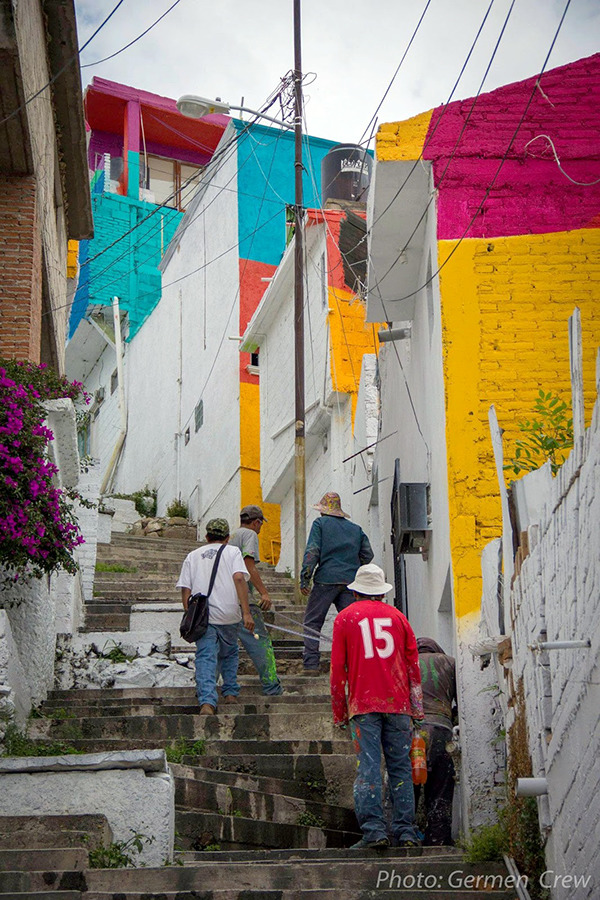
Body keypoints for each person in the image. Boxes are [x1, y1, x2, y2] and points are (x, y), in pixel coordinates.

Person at [330, 563, 424, 849]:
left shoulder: (345, 619)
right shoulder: (399, 618)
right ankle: (405, 832)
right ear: (382, 594)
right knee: (400, 768)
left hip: (364, 705)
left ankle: (374, 832)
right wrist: (417, 709)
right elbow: (413, 667)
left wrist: (339, 712)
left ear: (356, 592)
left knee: (368, 768)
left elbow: (337, 670)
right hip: (399, 706)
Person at [176, 518, 254, 714]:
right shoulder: (233, 551)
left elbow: (186, 589)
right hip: (229, 613)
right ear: (227, 538)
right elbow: (239, 578)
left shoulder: (192, 556)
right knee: (230, 653)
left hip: (204, 616)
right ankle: (229, 693)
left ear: (207, 536)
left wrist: (190, 614)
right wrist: (246, 612)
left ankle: (207, 702)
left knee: (206, 657)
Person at [300, 492, 373, 673]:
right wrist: (354, 568)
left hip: (325, 580)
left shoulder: (320, 524)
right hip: (350, 583)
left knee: (312, 622)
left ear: (323, 511)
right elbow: (368, 554)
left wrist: (305, 579)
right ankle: (357, 664)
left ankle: (311, 664)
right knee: (353, 624)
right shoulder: (356, 529)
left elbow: (312, 552)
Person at [229, 505, 282, 696]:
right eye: (260, 524)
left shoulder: (232, 536)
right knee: (260, 641)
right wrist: (263, 593)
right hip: (242, 596)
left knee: (225, 644)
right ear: (256, 522)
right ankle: (272, 687)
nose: (260, 528)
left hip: (225, 599)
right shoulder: (250, 535)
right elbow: (248, 564)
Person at [415, 637, 457, 846]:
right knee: (440, 786)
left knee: (405, 785)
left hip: (411, 732)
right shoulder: (450, 662)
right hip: (441, 729)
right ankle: (438, 840)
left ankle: (403, 837)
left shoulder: (404, 662)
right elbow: (461, 700)